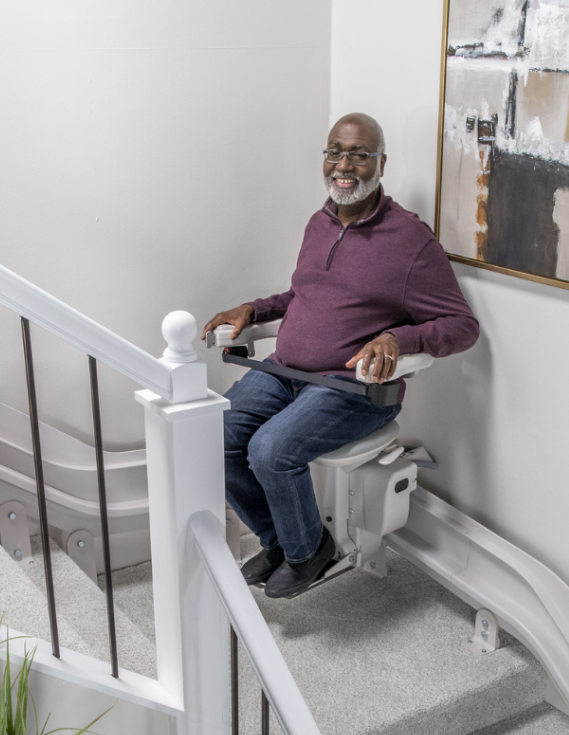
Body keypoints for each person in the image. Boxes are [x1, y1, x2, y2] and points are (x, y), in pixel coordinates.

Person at [202, 113, 479, 599]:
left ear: (381, 163)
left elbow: (462, 326)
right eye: (334, 152)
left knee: (270, 450)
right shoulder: (320, 221)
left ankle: (310, 551)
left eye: (358, 153)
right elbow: (303, 295)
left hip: (353, 389)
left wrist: (399, 339)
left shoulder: (410, 241)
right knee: (215, 438)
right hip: (285, 373)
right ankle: (281, 541)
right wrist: (253, 308)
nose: (343, 165)